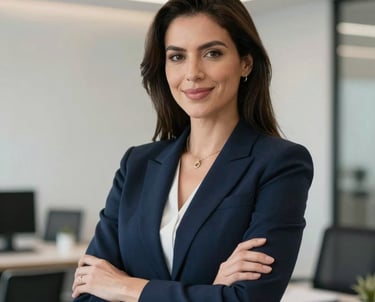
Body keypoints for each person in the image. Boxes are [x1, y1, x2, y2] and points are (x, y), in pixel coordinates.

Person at [72, 0, 313, 301]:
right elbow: (88, 290)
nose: (193, 72)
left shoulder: (280, 164)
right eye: (177, 57)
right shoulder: (137, 164)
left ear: (245, 63)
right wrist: (211, 291)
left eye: (212, 53)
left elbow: (250, 298)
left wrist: (124, 287)